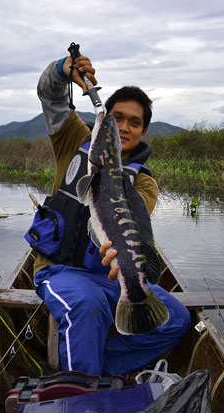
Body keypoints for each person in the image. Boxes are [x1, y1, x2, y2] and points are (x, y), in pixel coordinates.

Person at [31, 53, 191, 376]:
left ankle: (91, 361)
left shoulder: (144, 182)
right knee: (87, 306)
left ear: (144, 131)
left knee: (178, 318)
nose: (124, 126)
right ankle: (81, 391)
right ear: (106, 122)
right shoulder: (74, 138)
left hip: (111, 276)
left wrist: (120, 252)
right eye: (117, 118)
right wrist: (64, 69)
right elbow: (49, 94)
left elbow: (133, 228)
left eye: (134, 122)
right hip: (60, 269)